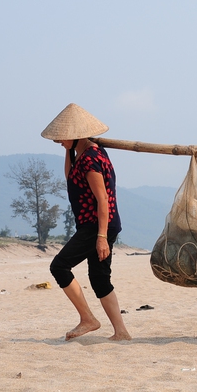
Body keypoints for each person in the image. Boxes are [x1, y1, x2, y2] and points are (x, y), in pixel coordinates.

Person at [41, 103, 131, 341]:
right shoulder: (87, 153)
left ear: (76, 135)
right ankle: (121, 332)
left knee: (59, 266)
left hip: (97, 224)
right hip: (101, 224)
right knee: (100, 278)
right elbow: (69, 177)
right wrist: (69, 149)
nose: (59, 141)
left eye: (62, 138)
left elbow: (102, 200)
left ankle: (88, 319)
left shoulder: (91, 159)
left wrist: (101, 237)